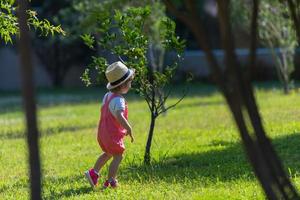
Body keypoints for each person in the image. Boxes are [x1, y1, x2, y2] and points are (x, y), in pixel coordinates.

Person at [85, 61, 135, 189]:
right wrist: (128, 127)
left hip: (103, 133)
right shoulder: (119, 100)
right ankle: (111, 180)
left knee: (107, 153)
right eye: (130, 82)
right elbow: (119, 115)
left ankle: (93, 173)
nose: (131, 84)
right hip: (112, 135)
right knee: (118, 156)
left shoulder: (107, 96)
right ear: (123, 85)